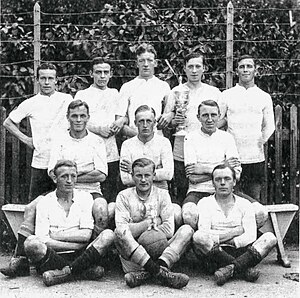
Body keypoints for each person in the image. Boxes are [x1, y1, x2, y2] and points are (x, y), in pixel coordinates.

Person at [1, 63, 72, 276]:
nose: (47, 82)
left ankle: (58, 259)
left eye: (51, 78)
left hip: (62, 164)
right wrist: (27, 140)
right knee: (33, 210)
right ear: (37, 79)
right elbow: (8, 122)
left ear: (57, 80)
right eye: (43, 78)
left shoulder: (66, 100)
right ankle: (21, 260)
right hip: (40, 163)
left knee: (66, 210)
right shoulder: (30, 103)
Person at [21, 160, 114, 287]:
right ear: (55, 178)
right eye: (64, 176)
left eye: (73, 176)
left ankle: (65, 273)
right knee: (30, 243)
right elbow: (43, 239)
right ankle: (81, 271)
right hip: (54, 255)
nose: (69, 181)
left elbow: (86, 235)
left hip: (80, 254)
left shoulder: (85, 198)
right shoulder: (44, 202)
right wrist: (76, 245)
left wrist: (56, 235)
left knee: (108, 235)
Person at [183, 100, 267, 230]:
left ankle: (237, 242)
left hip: (229, 192)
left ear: (219, 116)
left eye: (213, 115)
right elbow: (193, 178)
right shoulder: (190, 138)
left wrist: (204, 169)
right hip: (199, 191)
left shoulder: (227, 138)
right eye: (205, 115)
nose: (209, 119)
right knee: (189, 214)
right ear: (198, 117)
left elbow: (236, 175)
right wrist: (224, 167)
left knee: (260, 212)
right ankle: (202, 246)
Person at [115, 158, 193, 289]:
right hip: (135, 258)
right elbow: (123, 230)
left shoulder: (163, 194)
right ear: (132, 176)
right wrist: (151, 222)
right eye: (139, 176)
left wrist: (137, 228)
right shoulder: (123, 196)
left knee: (187, 230)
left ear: (154, 176)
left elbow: (169, 230)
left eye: (147, 175)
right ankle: (161, 273)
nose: (143, 180)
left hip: (160, 250)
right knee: (118, 233)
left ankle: (149, 271)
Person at [193, 164, 277, 286]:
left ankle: (230, 269)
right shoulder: (205, 203)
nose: (222, 183)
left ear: (234, 182)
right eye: (218, 179)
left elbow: (250, 236)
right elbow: (204, 233)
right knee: (198, 236)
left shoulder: (245, 204)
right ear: (213, 183)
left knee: (270, 238)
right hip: (215, 255)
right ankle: (243, 269)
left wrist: (223, 239)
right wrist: (234, 232)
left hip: (243, 252)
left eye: (227, 179)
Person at [163, 52, 222, 213]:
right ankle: (185, 228)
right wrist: (175, 121)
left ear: (204, 69)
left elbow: (221, 120)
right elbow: (168, 123)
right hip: (181, 149)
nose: (194, 70)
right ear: (185, 69)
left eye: (198, 66)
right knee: (183, 190)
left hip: (206, 151)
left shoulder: (214, 92)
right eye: (190, 66)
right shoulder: (176, 92)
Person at [48, 99, 109, 236]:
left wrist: (68, 175)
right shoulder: (59, 140)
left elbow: (101, 175)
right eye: (74, 116)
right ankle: (20, 254)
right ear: (68, 117)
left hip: (91, 191)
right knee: (33, 207)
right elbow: (52, 173)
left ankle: (95, 250)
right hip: (63, 192)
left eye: (82, 116)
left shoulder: (97, 141)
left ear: (88, 117)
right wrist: (85, 173)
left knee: (101, 210)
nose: (78, 120)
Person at [220, 55, 275, 201]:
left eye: (249, 66)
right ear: (236, 70)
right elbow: (218, 123)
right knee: (231, 197)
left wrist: (259, 141)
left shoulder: (264, 96)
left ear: (255, 70)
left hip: (255, 158)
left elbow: (270, 126)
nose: (245, 70)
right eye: (242, 67)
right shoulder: (226, 95)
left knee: (254, 199)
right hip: (232, 157)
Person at [74, 57, 125, 208]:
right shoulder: (82, 94)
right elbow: (76, 121)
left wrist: (121, 121)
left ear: (111, 74)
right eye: (98, 72)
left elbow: (122, 115)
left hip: (110, 150)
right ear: (91, 74)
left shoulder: (115, 93)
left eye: (106, 72)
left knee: (109, 194)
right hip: (88, 149)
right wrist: (99, 129)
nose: (102, 76)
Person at [119, 105, 180, 225]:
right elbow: (125, 179)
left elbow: (168, 174)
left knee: (177, 214)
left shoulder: (163, 142)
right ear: (135, 123)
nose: (145, 125)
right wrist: (156, 171)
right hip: (133, 193)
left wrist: (135, 170)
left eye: (149, 121)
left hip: (159, 192)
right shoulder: (127, 144)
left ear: (155, 123)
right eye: (141, 121)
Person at [117, 43, 172, 138]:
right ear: (136, 63)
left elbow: (170, 114)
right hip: (133, 138)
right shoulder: (127, 87)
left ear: (155, 63)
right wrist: (139, 137)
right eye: (142, 61)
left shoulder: (163, 86)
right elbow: (119, 120)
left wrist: (170, 114)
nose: (146, 64)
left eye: (150, 60)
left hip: (157, 140)